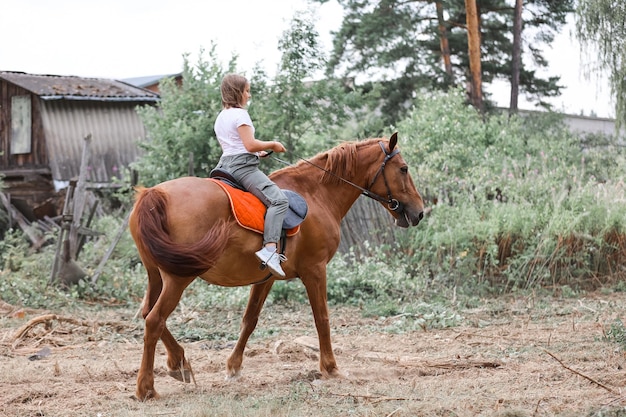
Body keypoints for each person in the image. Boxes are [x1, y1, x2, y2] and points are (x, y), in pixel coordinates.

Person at [213, 73, 289, 277]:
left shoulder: (221, 117)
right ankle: (270, 249)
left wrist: (257, 152)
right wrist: (272, 144)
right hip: (242, 167)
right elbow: (249, 144)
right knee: (279, 201)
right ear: (238, 92)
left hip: (224, 165)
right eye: (247, 91)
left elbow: (233, 146)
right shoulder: (240, 115)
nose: (249, 95)